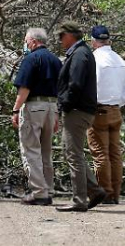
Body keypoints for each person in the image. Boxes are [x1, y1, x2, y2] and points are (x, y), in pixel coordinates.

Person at [55, 21, 106, 212]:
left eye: (61, 36)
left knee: (74, 155)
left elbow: (74, 85)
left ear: (70, 35)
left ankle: (79, 200)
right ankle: (94, 190)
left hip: (76, 111)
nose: (60, 41)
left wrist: (64, 105)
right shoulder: (82, 52)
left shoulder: (79, 54)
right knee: (73, 153)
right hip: (80, 110)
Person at [11, 28, 62, 206]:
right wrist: (57, 113)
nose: (25, 44)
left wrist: (16, 110)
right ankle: (48, 188)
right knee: (46, 151)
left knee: (31, 150)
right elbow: (61, 89)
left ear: (32, 41)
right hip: (51, 107)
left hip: (34, 106)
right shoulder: (56, 61)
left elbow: (24, 88)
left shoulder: (31, 59)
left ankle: (39, 192)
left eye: (26, 41)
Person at [87, 26, 125, 204]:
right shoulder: (119, 59)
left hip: (98, 110)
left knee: (100, 154)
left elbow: (90, 85)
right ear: (108, 40)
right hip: (115, 110)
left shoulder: (93, 59)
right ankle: (115, 193)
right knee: (114, 154)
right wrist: (118, 102)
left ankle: (105, 194)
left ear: (93, 41)